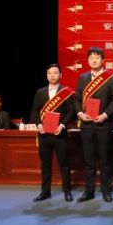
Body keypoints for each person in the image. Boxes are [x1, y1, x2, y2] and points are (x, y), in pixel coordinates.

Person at [74, 47, 113, 203]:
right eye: (91, 58)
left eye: (97, 57)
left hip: (103, 125)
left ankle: (106, 191)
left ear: (103, 60)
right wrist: (80, 113)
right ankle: (89, 191)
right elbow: (77, 99)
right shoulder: (83, 78)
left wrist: (105, 115)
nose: (94, 60)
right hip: (86, 125)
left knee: (104, 160)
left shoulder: (111, 77)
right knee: (88, 160)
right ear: (88, 60)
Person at [30, 64, 76, 202]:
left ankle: (67, 192)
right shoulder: (40, 92)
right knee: (45, 165)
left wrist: (62, 125)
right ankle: (45, 192)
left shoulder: (66, 92)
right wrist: (39, 125)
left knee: (64, 164)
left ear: (61, 75)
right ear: (46, 75)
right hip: (44, 134)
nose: (52, 76)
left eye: (55, 73)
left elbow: (71, 112)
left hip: (59, 134)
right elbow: (34, 111)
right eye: (49, 73)